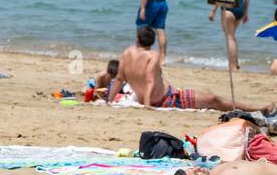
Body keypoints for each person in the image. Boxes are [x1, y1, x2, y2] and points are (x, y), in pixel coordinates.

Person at [111, 25, 274, 112]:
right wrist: (147, 106)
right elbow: (149, 81)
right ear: (152, 42)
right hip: (168, 99)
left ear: (137, 39)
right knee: (213, 99)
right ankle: (258, 108)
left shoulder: (127, 53)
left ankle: (257, 107)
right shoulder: (152, 56)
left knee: (211, 99)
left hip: (154, 98)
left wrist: (109, 101)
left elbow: (118, 79)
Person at [210, 0, 249, 72]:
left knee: (229, 37)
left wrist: (213, 11)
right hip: (240, 6)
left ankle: (232, 67)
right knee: (232, 36)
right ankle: (235, 63)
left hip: (229, 8)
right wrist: (245, 13)